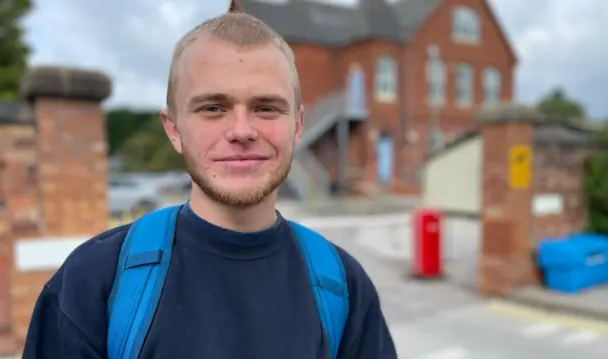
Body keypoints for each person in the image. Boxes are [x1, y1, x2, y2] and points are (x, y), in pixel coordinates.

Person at [21, 12, 397, 359]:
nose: (241, 131)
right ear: (174, 130)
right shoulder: (93, 284)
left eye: (266, 107)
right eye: (212, 108)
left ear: (298, 126)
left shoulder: (344, 289)